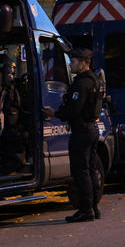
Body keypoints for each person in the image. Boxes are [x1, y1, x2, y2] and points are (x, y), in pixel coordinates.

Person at [43, 48, 103, 223]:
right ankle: (93, 207)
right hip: (92, 129)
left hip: (82, 131)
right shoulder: (95, 80)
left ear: (84, 63)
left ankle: (85, 210)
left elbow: (73, 110)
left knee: (80, 171)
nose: (70, 64)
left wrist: (54, 114)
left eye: (74, 61)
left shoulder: (82, 83)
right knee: (91, 169)